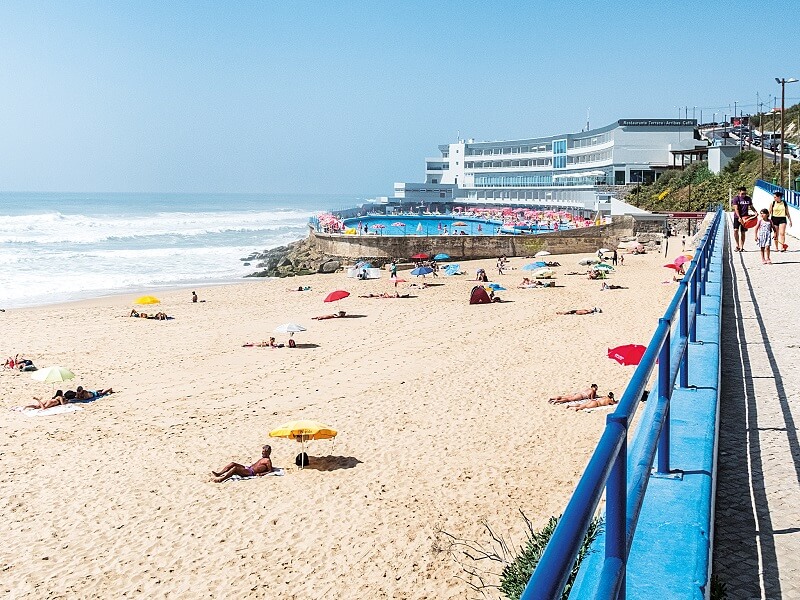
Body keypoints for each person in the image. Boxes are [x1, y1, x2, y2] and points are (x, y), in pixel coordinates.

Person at [731, 186, 754, 252]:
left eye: (744, 194)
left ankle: (742, 247)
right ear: (739, 192)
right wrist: (739, 217)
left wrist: (755, 212)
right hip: (737, 217)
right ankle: (737, 245)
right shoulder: (736, 199)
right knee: (735, 230)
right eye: (742, 194)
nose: (743, 195)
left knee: (743, 232)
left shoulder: (748, 199)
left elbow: (751, 206)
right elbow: (736, 209)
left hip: (745, 217)